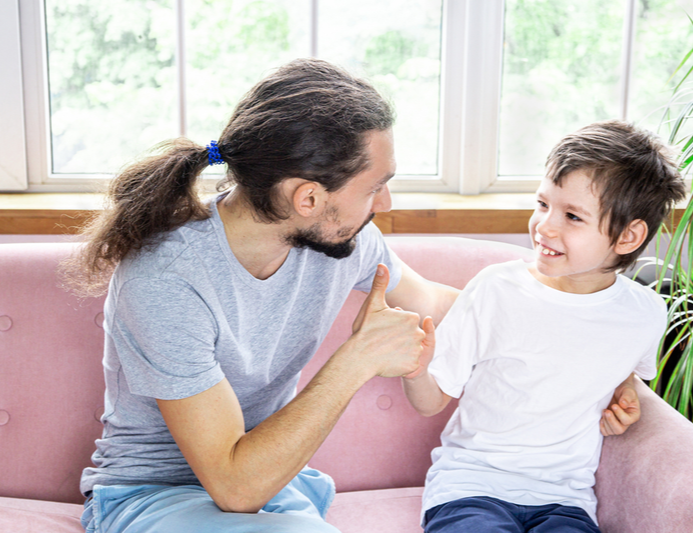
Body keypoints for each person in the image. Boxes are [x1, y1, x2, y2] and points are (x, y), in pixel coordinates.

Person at [66, 58, 460, 533]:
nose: (385, 203)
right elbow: (234, 488)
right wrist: (358, 359)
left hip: (278, 487)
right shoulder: (166, 279)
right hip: (155, 495)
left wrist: (553, 295)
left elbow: (435, 303)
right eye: (376, 187)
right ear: (308, 198)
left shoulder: (345, 240)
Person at [402, 120, 686, 533]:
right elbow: (431, 401)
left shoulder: (645, 312)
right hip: (470, 487)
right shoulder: (497, 289)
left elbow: (624, 369)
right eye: (542, 204)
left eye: (572, 216)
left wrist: (626, 394)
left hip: (566, 500)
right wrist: (415, 367)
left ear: (628, 236)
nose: (545, 226)